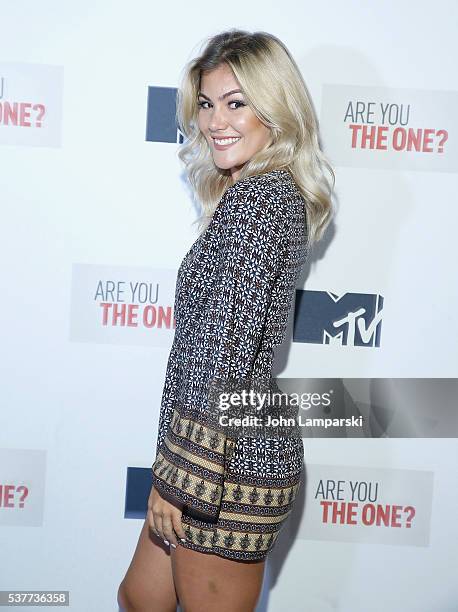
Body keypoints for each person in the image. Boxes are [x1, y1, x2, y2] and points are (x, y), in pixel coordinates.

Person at [118, 28, 334, 612]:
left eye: (237, 102)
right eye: (208, 103)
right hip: (206, 448)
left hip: (228, 462)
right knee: (141, 597)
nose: (217, 120)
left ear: (276, 109)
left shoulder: (264, 202)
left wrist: (177, 480)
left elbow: (228, 357)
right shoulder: (248, 197)